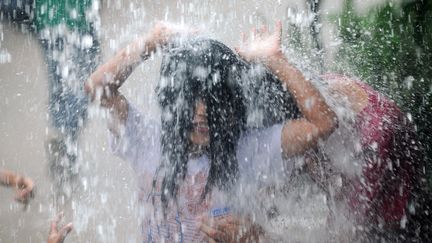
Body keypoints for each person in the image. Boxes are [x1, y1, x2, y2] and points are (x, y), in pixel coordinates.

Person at [85, 21, 337, 242]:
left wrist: (274, 60)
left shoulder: (249, 149)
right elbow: (97, 88)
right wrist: (152, 41)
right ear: (173, 101)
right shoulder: (147, 140)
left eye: (215, 100)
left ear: (231, 108)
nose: (202, 111)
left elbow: (323, 123)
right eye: (191, 98)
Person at [303, 74, 430, 241]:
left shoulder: (375, 135)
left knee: (380, 218)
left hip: (387, 143)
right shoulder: (307, 84)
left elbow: (352, 214)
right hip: (381, 136)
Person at [0, 0, 101, 195]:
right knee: (81, 82)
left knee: (63, 80)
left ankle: (64, 139)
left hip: (48, 16)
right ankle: (66, 142)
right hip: (72, 18)